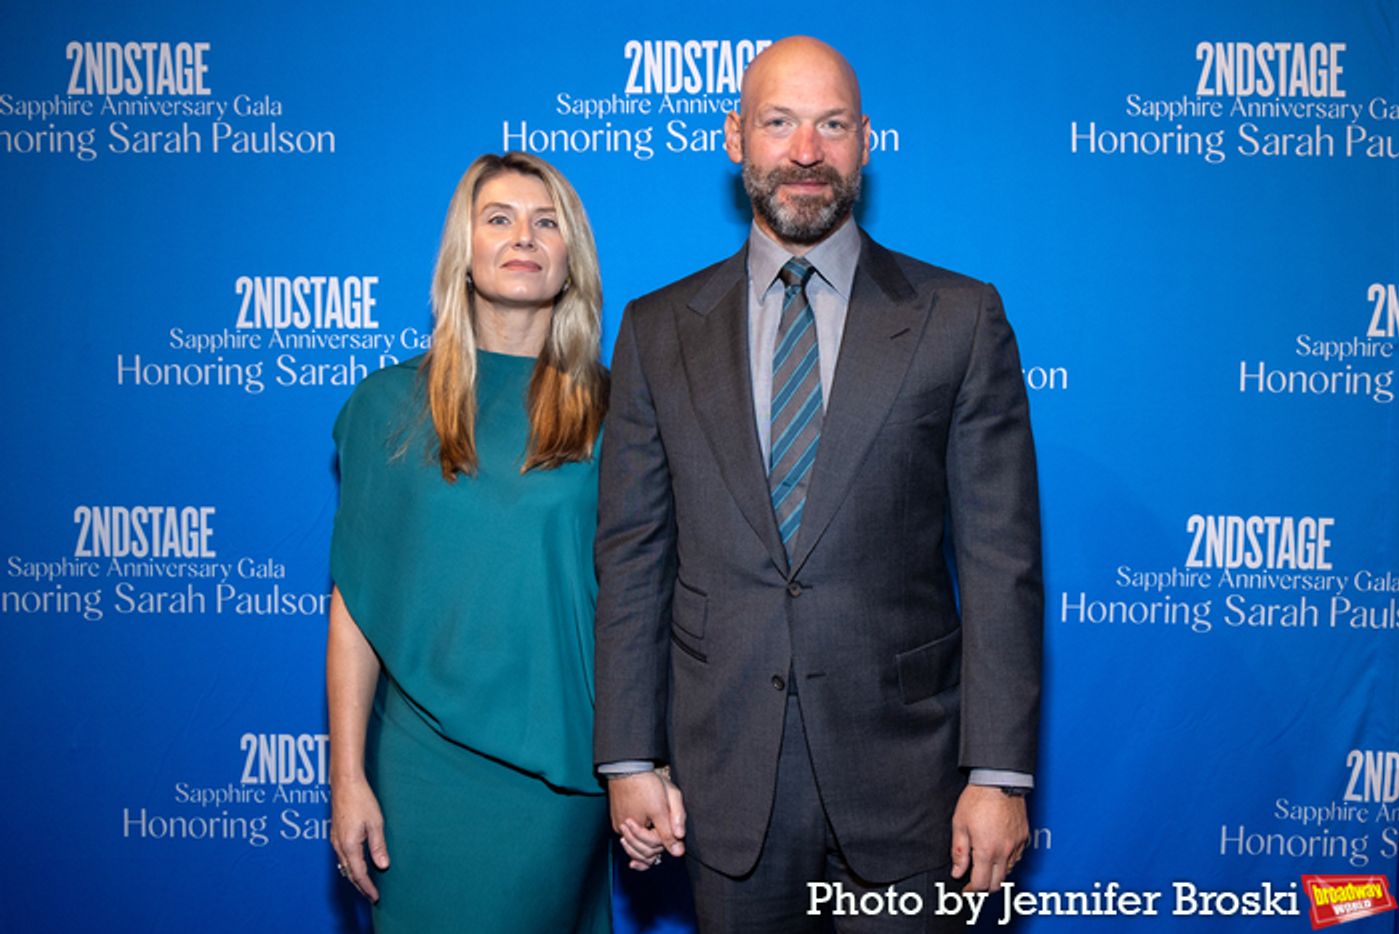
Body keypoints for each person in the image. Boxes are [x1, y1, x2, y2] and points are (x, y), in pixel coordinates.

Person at [594, 36, 1043, 931]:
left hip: (910, 783)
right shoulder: (655, 330)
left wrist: (997, 775)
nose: (806, 152)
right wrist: (630, 758)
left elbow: (1002, 563)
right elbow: (634, 560)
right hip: (723, 782)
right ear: (736, 139)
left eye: (832, 125)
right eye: (780, 123)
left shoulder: (958, 318)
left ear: (865, 142)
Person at [327, 151, 611, 933]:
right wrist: (346, 777)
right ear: (465, 249)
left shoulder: (619, 411)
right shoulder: (387, 407)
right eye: (499, 219)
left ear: (571, 257)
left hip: (558, 770)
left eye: (546, 222)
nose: (524, 237)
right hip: (417, 770)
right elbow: (357, 610)